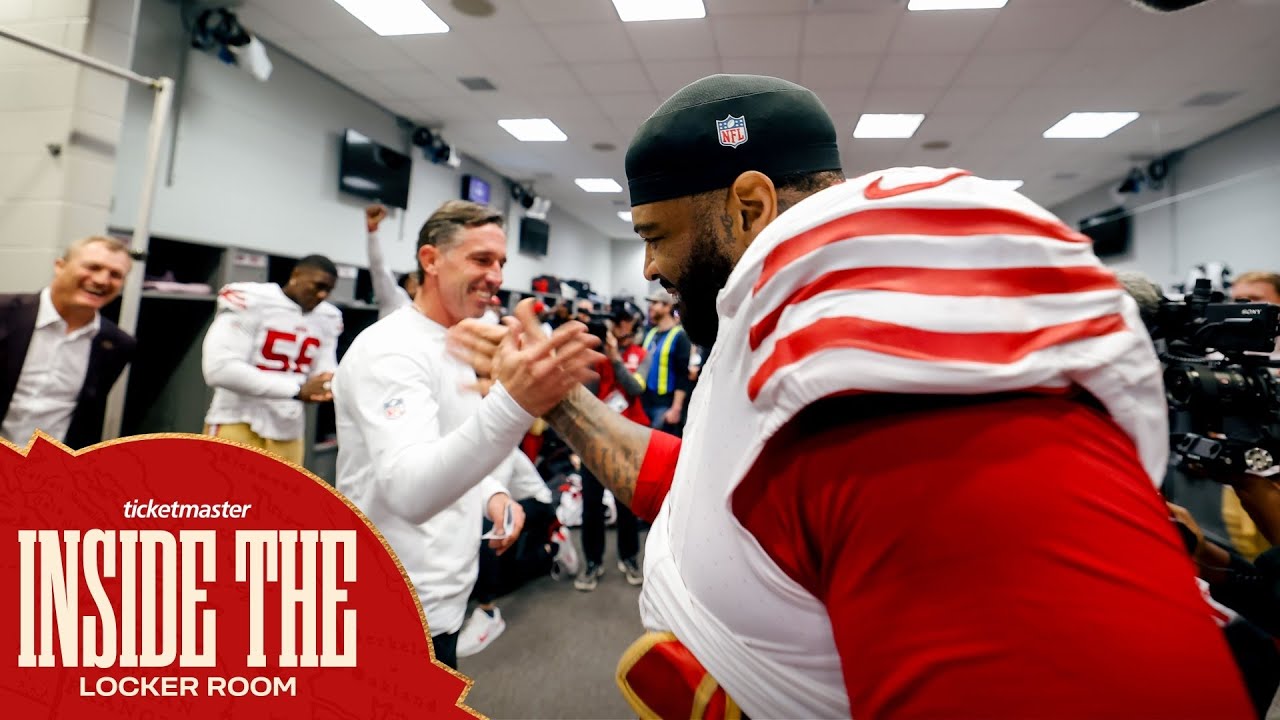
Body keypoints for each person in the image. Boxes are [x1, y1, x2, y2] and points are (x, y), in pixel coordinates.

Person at [479, 74, 1251, 718]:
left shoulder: (902, 385)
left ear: (749, 207)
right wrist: (556, 400)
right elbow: (713, 493)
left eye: (656, 235)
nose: (647, 268)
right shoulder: (771, 317)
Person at [331, 199, 601, 670]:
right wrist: (516, 401)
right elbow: (412, 489)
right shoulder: (390, 351)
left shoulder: (459, 341)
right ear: (431, 260)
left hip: (443, 595)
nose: (496, 275)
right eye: (481, 259)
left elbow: (448, 443)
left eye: (500, 263)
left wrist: (491, 492)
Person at [201, 254, 343, 465]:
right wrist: (298, 390)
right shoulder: (252, 300)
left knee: (280, 498)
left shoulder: (328, 317)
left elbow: (324, 370)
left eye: (328, 290)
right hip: (237, 421)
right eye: (317, 285)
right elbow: (219, 369)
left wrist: (329, 383)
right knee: (224, 497)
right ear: (296, 275)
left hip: (289, 430)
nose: (322, 294)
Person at [0, 236, 137, 449]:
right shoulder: (4, 312)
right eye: (93, 267)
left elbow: (87, 419)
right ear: (60, 266)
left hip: (48, 471)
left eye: (115, 275)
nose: (102, 280)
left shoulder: (117, 345)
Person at [576, 306, 648, 591]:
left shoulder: (641, 355)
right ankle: (592, 562)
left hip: (626, 441)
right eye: (614, 323)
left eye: (623, 322)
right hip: (593, 439)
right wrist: (595, 355)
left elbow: (635, 388)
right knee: (591, 506)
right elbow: (586, 394)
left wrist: (616, 359)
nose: (619, 327)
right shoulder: (594, 357)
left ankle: (629, 557)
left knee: (627, 505)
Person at [638, 287, 691, 435]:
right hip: (645, 401)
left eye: (655, 303)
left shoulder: (680, 336)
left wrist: (676, 408)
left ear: (667, 306)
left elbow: (683, 375)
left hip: (664, 404)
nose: (651, 307)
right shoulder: (650, 334)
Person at [365, 203, 420, 318]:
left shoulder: (426, 309)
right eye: (413, 278)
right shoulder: (394, 297)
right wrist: (372, 232)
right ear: (404, 282)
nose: (416, 282)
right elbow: (378, 267)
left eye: (419, 278)